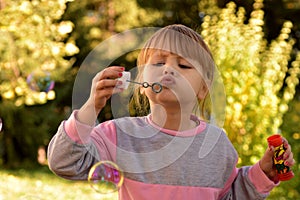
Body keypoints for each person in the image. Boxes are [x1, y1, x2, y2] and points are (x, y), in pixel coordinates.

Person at [47, 24, 295, 200]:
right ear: (142, 82)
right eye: (158, 63)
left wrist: (262, 174)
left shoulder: (216, 144)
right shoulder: (117, 135)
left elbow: (230, 196)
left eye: (183, 64)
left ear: (203, 88)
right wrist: (92, 105)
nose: (168, 70)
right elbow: (64, 163)